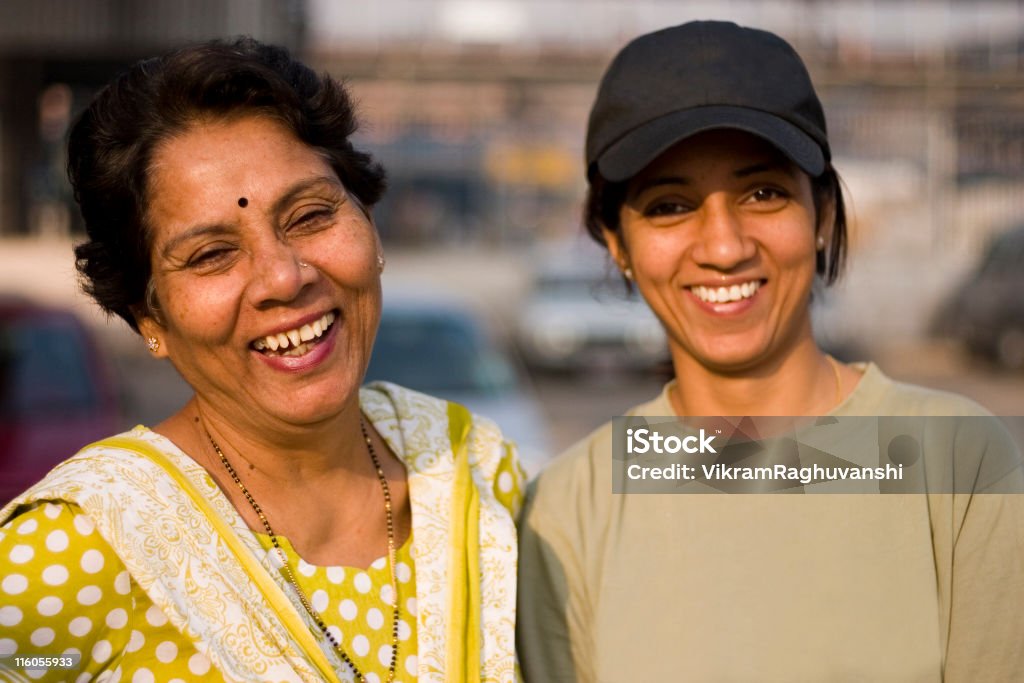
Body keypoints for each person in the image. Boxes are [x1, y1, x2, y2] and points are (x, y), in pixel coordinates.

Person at [0, 38, 522, 683]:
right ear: (149, 318)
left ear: (370, 222)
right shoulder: (80, 550)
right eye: (212, 254)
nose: (282, 277)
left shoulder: (474, 471)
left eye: (309, 216)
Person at [516, 20, 1024, 682]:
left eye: (764, 193)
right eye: (670, 205)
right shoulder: (568, 506)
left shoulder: (956, 461)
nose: (724, 246)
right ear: (617, 243)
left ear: (824, 215)